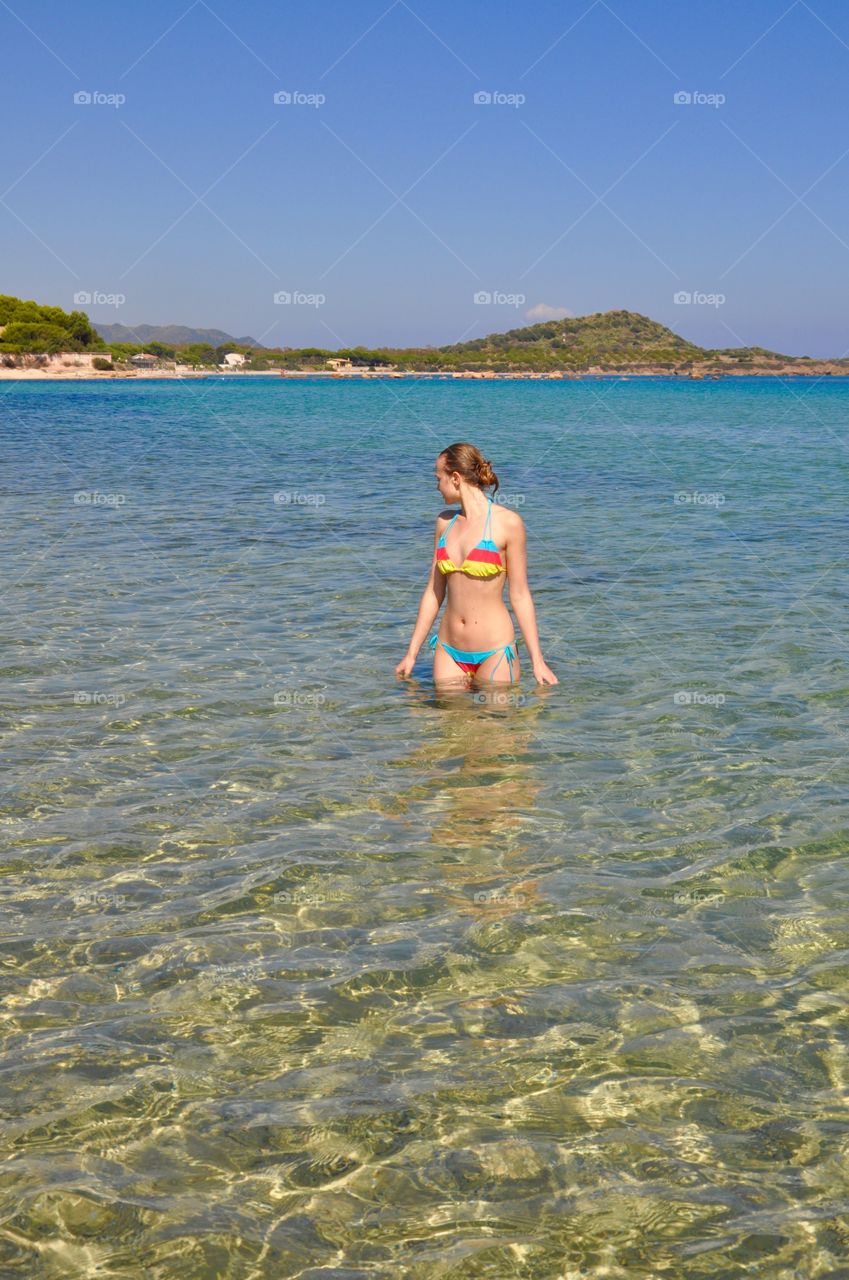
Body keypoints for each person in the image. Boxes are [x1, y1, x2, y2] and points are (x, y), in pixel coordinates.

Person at [395, 442, 558, 687]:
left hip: (495, 650)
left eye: (438, 478)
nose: (437, 486)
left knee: (495, 725)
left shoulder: (508, 523)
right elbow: (433, 592)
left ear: (456, 478)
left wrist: (538, 661)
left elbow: (520, 595)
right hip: (448, 650)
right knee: (448, 724)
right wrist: (411, 654)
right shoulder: (444, 523)